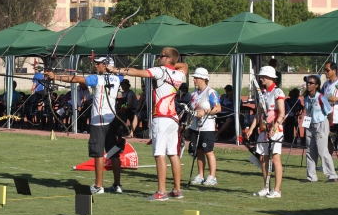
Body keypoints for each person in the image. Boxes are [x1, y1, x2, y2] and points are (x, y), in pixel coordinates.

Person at [107, 47, 188, 201]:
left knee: (159, 155)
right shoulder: (178, 73)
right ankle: (177, 190)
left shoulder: (160, 71)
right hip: (173, 119)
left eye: (162, 56)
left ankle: (162, 192)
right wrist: (172, 64)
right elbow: (184, 66)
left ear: (169, 58)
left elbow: (136, 72)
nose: (159, 58)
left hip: (161, 118)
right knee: (173, 154)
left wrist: (115, 69)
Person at [47, 57, 124, 194]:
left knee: (98, 153)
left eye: (98, 64)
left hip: (98, 121)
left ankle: (98, 186)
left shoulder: (97, 79)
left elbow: (76, 79)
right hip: (112, 120)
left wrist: (55, 77)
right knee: (114, 153)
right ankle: (117, 185)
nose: (96, 66)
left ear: (105, 66)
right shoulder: (118, 78)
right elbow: (121, 73)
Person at [246, 66, 285, 198]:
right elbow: (258, 114)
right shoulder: (263, 93)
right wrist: (251, 129)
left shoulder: (278, 92)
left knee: (275, 159)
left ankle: (277, 190)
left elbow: (282, 113)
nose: (261, 78)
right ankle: (266, 187)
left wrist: (275, 126)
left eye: (263, 76)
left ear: (270, 77)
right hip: (263, 130)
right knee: (263, 159)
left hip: (275, 131)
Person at [301, 75, 338, 183]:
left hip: (321, 124)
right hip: (310, 125)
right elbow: (307, 112)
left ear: (316, 85)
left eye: (311, 83)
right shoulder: (306, 97)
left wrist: (330, 126)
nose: (308, 84)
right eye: (307, 82)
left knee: (322, 151)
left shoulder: (321, 97)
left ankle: (332, 175)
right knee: (310, 151)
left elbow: (329, 112)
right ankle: (311, 176)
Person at [188, 68, 221, 186]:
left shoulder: (210, 92)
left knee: (208, 151)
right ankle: (200, 175)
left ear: (203, 79)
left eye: (196, 77)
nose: (194, 79)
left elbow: (218, 108)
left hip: (207, 127)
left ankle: (212, 177)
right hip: (195, 126)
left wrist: (205, 111)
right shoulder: (193, 93)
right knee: (199, 151)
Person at [321, 61, 338, 159]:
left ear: (334, 70)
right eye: (324, 70)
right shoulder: (326, 84)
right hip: (328, 118)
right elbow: (321, 97)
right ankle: (327, 163)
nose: (325, 72)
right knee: (328, 141)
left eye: (327, 70)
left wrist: (336, 99)